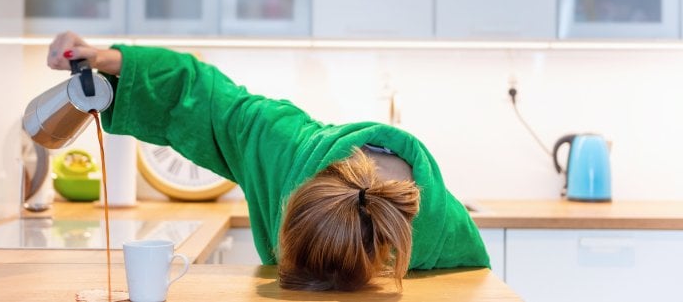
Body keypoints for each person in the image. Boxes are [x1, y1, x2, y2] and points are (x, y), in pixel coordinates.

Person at [47, 31, 490, 292]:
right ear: (290, 197)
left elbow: (471, 290)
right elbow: (201, 94)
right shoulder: (280, 146)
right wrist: (109, 60)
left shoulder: (443, 233)